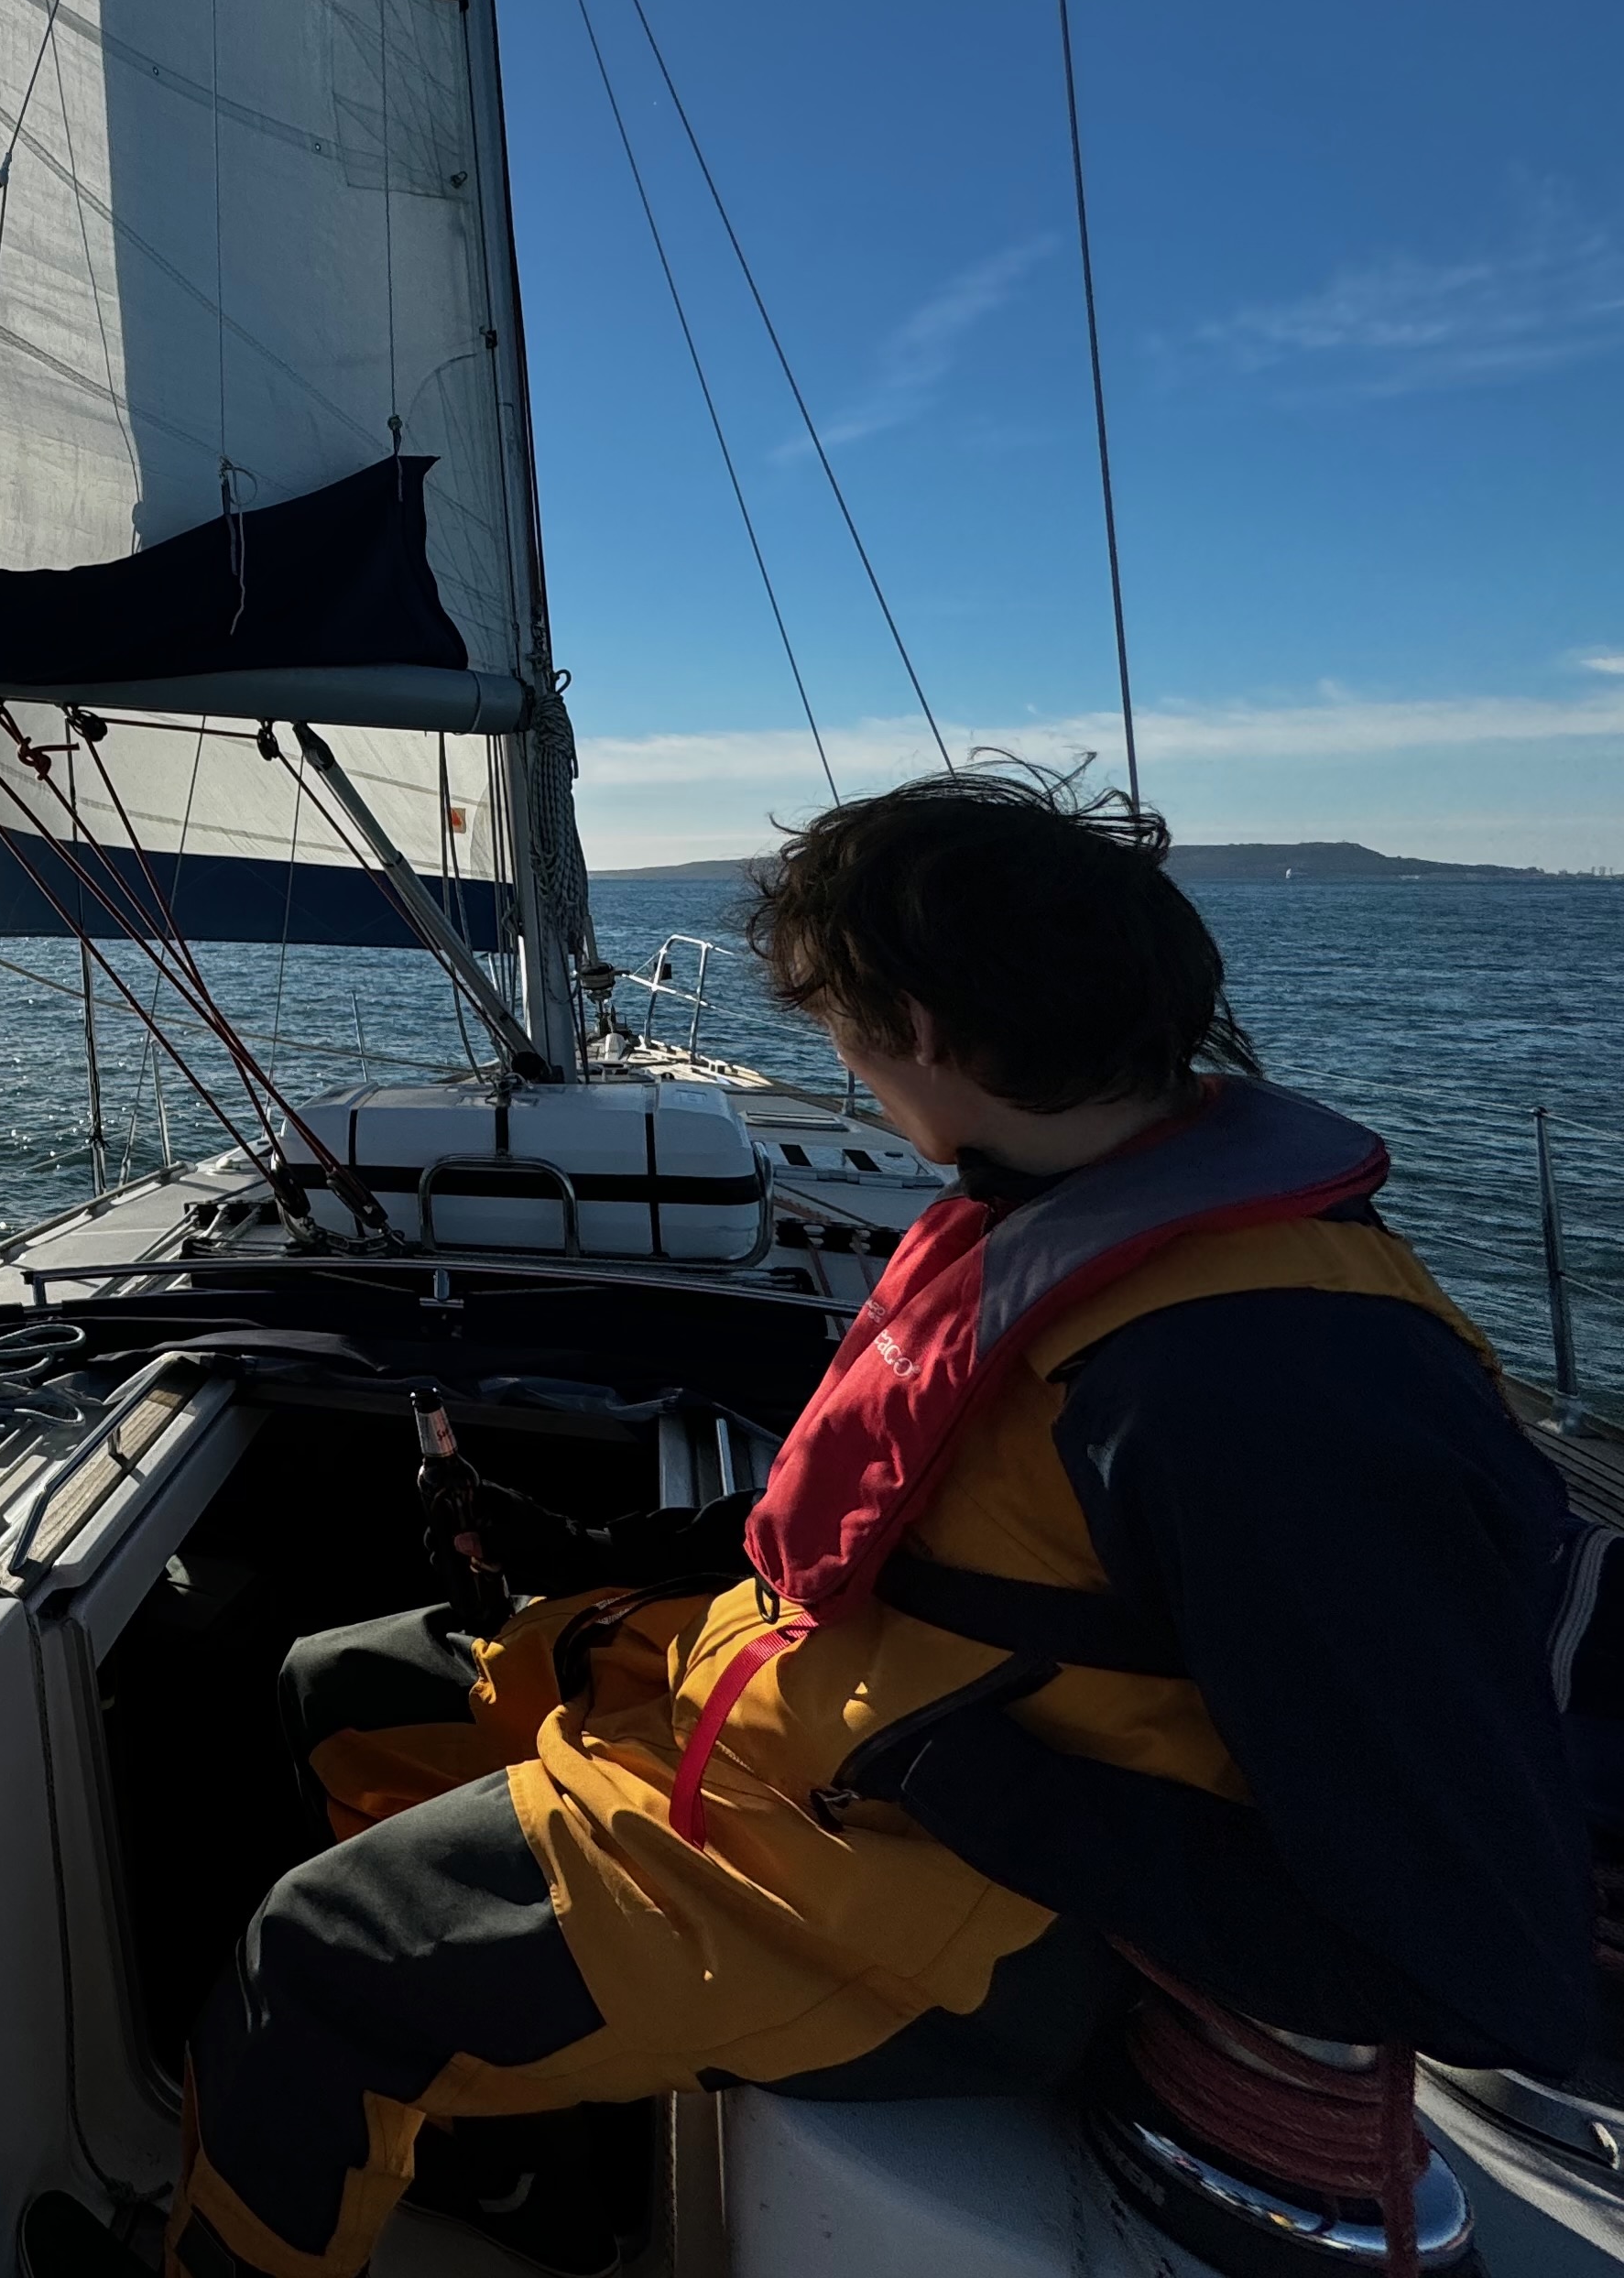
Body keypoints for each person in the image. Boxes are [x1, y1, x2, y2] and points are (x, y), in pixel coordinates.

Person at [169, 768, 1597, 2278]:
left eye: (834, 1022)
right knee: (344, 1692)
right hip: (822, 1722)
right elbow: (958, 1528)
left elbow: (1483, 1957)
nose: (833, 1057)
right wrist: (603, 1558)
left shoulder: (1266, 1381)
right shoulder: (1070, 1198)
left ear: (913, 1028)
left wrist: (976, 1782)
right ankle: (530, 2173)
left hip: (953, 1903)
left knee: (313, 1964)